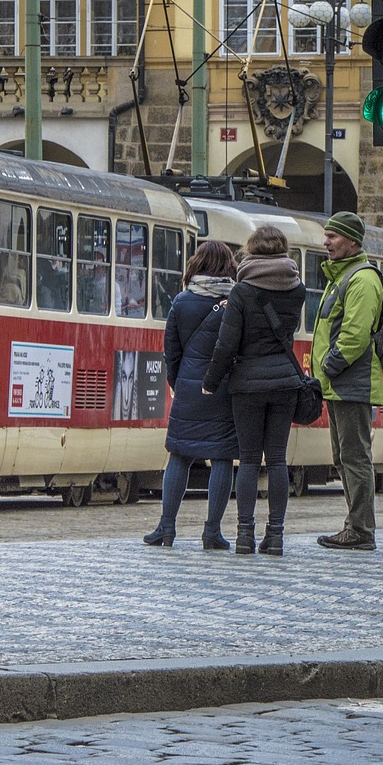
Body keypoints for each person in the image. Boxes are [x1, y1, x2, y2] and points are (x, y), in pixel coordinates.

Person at [202, 226, 305, 555]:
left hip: (247, 383)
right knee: (277, 460)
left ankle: (245, 534)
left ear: (252, 251)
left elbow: (226, 343)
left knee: (247, 460)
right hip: (284, 382)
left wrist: (211, 381)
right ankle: (275, 535)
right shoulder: (296, 289)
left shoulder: (242, 292)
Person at [144, 241, 238, 549]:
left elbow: (171, 350)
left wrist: (177, 382)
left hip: (188, 387)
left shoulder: (182, 301)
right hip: (224, 388)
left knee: (180, 455)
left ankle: (166, 528)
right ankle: (212, 532)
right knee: (222, 456)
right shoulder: (237, 301)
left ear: (196, 264)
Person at [310, 211, 383, 552]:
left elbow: (354, 335)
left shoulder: (361, 279)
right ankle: (356, 526)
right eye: (326, 236)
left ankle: (360, 529)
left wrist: (328, 366)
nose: (326, 242)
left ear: (353, 241)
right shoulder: (343, 276)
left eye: (333, 236)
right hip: (341, 383)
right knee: (344, 457)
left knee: (354, 457)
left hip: (349, 382)